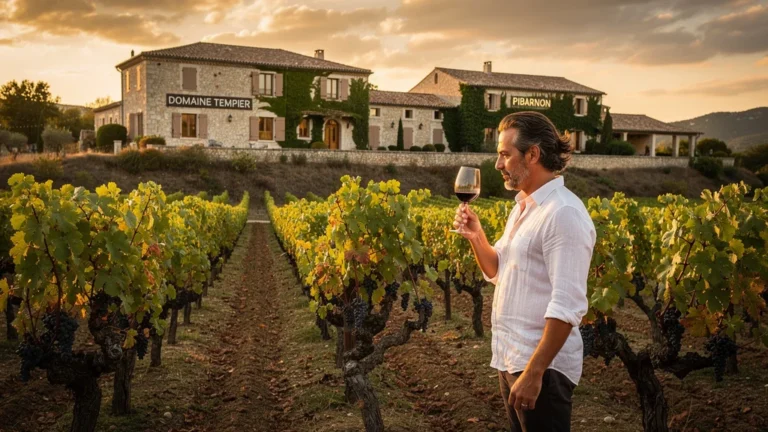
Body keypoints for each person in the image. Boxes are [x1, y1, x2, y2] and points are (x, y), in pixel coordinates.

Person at [453, 111, 595, 431]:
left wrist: (534, 373)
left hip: (542, 370)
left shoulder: (564, 213)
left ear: (532, 154)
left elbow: (567, 305)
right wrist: (476, 236)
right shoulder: (524, 207)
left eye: (505, 154)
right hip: (512, 358)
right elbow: (498, 270)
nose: (498, 164)